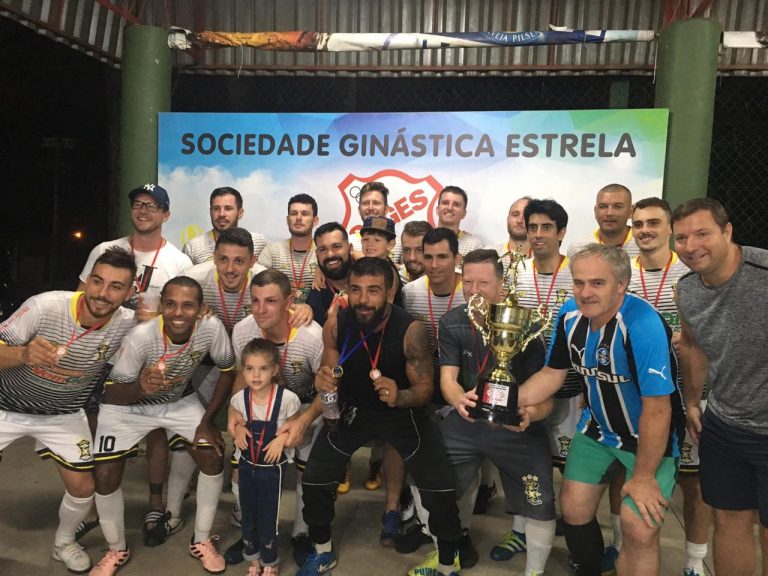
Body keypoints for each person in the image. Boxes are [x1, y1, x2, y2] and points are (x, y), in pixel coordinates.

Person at [282, 257, 463, 576]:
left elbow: (424, 389)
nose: (363, 299)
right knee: (315, 480)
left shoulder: (411, 330)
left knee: (439, 488)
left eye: (373, 290)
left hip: (403, 413)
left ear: (389, 292)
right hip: (354, 409)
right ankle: (323, 551)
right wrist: (324, 381)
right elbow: (330, 371)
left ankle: (448, 564)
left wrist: (400, 395)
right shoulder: (337, 323)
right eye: (356, 289)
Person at [518, 243, 685, 576]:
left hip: (649, 436)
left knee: (640, 528)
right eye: (579, 282)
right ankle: (590, 567)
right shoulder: (569, 315)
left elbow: (657, 409)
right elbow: (552, 375)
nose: (585, 293)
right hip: (597, 428)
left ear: (621, 285)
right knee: (573, 506)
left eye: (597, 283)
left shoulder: (643, 324)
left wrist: (644, 477)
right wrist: (505, 404)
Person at [0, 247, 137, 574]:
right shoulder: (44, 306)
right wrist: (22, 354)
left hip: (63, 414)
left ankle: (63, 543)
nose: (102, 293)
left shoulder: (129, 323)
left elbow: (172, 322)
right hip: (5, 405)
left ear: (129, 293)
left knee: (83, 488)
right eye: (97, 281)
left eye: (115, 287)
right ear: (87, 280)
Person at [89, 277, 235, 576]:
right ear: (161, 307)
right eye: (170, 304)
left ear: (200, 309)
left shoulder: (211, 327)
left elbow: (227, 370)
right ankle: (115, 548)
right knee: (105, 474)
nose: (178, 313)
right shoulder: (141, 337)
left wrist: (207, 421)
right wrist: (141, 388)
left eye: (187, 306)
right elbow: (112, 393)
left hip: (176, 401)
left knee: (212, 455)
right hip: (128, 406)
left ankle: (202, 539)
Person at [423, 248, 555, 576]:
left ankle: (534, 571)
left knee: (539, 498)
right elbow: (448, 379)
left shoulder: (524, 323)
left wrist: (531, 415)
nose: (474, 291)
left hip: (515, 424)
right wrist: (459, 400)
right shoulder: (452, 321)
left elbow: (547, 394)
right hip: (466, 419)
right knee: (428, 477)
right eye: (468, 282)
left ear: (501, 286)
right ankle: (446, 555)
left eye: (483, 283)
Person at [673, 198, 768, 576]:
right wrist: (692, 402)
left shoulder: (763, 271)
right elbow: (692, 345)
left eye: (702, 234)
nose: (691, 246)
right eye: (681, 238)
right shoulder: (686, 289)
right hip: (725, 425)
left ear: (727, 232)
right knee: (728, 520)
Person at [629, 197, 708, 576]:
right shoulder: (622, 273)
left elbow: (710, 332)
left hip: (686, 390)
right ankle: (624, 546)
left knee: (694, 485)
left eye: (653, 223)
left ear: (669, 230)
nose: (645, 230)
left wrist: (686, 338)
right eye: (638, 224)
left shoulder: (690, 273)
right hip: (636, 396)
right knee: (628, 472)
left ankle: (694, 561)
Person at [226, 269, 324, 567]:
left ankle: (301, 532)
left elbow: (329, 388)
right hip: (258, 407)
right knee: (242, 465)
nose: (260, 309)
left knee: (308, 470)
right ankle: (251, 533)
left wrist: (304, 421)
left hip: (303, 407)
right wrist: (233, 410)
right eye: (255, 301)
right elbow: (241, 374)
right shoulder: (243, 330)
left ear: (289, 302)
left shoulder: (311, 335)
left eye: (270, 301)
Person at [499, 199, 578, 563]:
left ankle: (576, 540)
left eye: (547, 227)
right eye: (533, 227)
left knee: (571, 470)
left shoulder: (576, 273)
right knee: (524, 463)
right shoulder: (514, 272)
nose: (538, 234)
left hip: (572, 388)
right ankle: (519, 531)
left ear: (561, 232)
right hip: (527, 387)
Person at [399, 227, 466, 557]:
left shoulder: (470, 291)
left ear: (456, 258)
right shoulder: (410, 292)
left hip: (463, 389)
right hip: (424, 389)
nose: (435, 264)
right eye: (428, 257)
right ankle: (427, 526)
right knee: (421, 462)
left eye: (443, 257)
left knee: (461, 465)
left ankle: (460, 529)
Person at [229, 338, 301, 576]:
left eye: (263, 368)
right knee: (248, 513)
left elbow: (294, 428)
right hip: (246, 465)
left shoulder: (288, 399)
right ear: (243, 371)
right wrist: (239, 429)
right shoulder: (239, 399)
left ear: (275, 370)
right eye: (250, 368)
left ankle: (270, 560)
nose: (256, 375)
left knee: (268, 516)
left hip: (273, 469)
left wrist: (281, 439)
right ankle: (253, 558)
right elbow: (236, 420)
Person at [79, 184, 193, 306]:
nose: (143, 211)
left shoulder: (180, 263)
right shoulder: (103, 250)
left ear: (165, 216)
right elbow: (79, 300)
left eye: (152, 206)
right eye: (137, 204)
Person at [257, 194, 319, 304]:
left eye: (305, 214)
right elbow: (259, 287)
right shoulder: (272, 251)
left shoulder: (323, 253)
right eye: (294, 213)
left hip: (315, 313)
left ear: (315, 221)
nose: (298, 218)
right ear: (287, 220)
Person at [182, 186, 267, 265]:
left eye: (228, 208)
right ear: (210, 212)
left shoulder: (258, 241)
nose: (221, 214)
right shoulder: (193, 247)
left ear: (240, 213)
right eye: (216, 208)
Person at [569, 184, 640, 260]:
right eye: (603, 207)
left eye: (617, 206)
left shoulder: (643, 243)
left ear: (630, 212)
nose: (609, 213)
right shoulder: (579, 248)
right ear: (595, 212)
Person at [306, 222, 353, 328]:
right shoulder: (316, 297)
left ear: (350, 248)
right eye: (323, 249)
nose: (330, 254)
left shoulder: (369, 274)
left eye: (336, 246)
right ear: (317, 254)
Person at [348, 181, 402, 262]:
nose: (370, 208)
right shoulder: (349, 242)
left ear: (386, 209)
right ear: (359, 210)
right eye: (365, 203)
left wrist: (364, 258)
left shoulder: (400, 244)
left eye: (376, 203)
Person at [435, 186, 484, 262]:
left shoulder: (474, 246)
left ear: (464, 214)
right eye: (445, 203)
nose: (450, 208)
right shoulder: (422, 240)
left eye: (456, 205)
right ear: (437, 210)